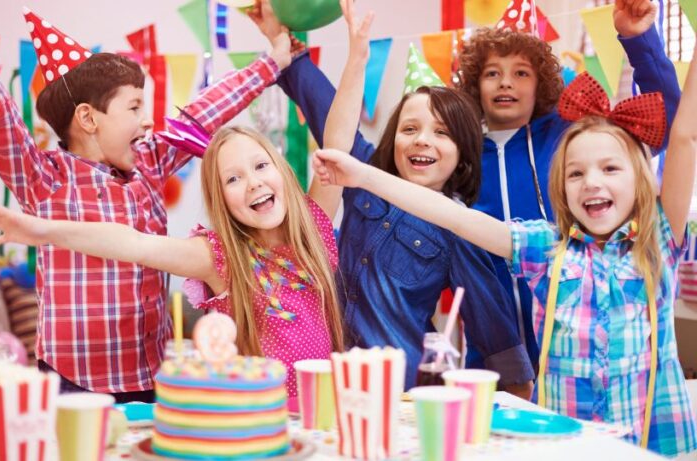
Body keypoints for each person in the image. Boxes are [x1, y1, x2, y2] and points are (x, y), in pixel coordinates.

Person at [312, 46, 697, 455]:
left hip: (655, 441)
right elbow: (453, 217)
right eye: (576, 173)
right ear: (560, 188)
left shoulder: (656, 242)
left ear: (639, 180)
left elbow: (686, 137)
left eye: (610, 168)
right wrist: (362, 175)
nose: (592, 183)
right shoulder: (546, 248)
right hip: (566, 441)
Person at [0, 1, 295, 401]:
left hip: (150, 377)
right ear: (88, 119)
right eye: (135, 107)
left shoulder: (151, 161)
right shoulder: (42, 178)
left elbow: (202, 113)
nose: (147, 120)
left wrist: (272, 62)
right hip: (73, 381)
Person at [256, 0, 533, 395]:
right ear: (393, 139)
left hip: (396, 392)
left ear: (462, 155)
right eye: (411, 128)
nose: (423, 139)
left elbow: (493, 325)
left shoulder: (459, 228)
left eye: (442, 133)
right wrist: (279, 39)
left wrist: (516, 396)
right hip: (325, 377)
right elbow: (327, 109)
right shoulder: (363, 173)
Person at [0, 126, 346, 401]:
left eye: (261, 166)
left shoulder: (310, 230)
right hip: (256, 422)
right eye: (233, 178)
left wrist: (358, 51)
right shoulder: (220, 257)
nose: (252, 183)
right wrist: (40, 229)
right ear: (222, 200)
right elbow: (133, 244)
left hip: (323, 418)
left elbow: (338, 142)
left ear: (281, 170)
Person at [458, 0, 682, 367]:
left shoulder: (571, 137)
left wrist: (638, 38)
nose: (506, 83)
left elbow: (663, 121)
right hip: (490, 359)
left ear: (542, 83)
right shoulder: (460, 153)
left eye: (521, 73)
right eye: (492, 73)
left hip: (577, 350)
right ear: (475, 84)